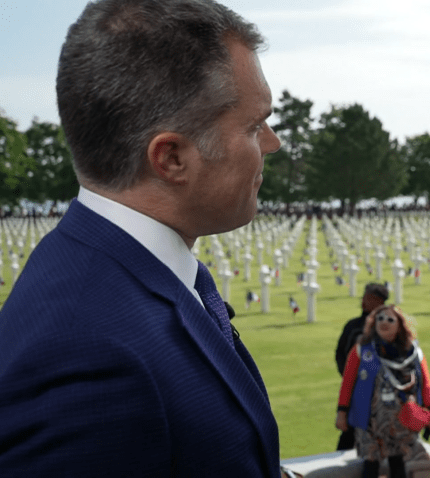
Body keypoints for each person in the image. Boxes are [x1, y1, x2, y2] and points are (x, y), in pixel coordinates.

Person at [0, 0, 282, 476]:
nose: (272, 143)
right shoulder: (87, 357)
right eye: (254, 126)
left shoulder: (118, 267)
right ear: (170, 158)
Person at [336, 305, 430, 478]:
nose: (384, 322)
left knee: (398, 465)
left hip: (400, 421)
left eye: (390, 319)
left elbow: (425, 383)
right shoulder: (361, 350)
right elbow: (347, 383)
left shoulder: (413, 353)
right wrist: (342, 412)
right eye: (380, 318)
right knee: (370, 466)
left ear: (399, 325)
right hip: (369, 421)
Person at [335, 282, 390, 450]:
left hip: (381, 396)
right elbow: (340, 355)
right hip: (356, 392)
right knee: (349, 437)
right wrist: (352, 379)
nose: (363, 301)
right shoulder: (353, 327)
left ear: (378, 302)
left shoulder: (388, 327)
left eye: (368, 298)